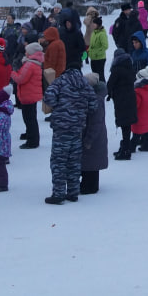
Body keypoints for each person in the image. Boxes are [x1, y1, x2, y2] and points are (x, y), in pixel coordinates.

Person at [43, 65, 93, 203]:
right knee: (74, 162)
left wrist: (61, 106)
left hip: (61, 128)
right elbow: (93, 104)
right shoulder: (84, 83)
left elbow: (49, 98)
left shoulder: (60, 81)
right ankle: (73, 192)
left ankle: (58, 194)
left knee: (59, 162)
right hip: (77, 129)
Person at [80, 71, 109, 194]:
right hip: (97, 137)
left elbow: (95, 123)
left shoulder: (95, 100)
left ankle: (90, 186)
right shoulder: (96, 98)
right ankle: (91, 184)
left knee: (90, 162)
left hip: (93, 138)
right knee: (92, 162)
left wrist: (88, 139)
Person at [10, 43, 43, 150]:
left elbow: (21, 79)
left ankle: (32, 141)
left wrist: (12, 73)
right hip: (31, 93)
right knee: (31, 117)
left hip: (28, 94)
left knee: (29, 118)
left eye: (27, 51)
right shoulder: (35, 63)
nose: (25, 52)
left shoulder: (30, 65)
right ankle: (30, 135)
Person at [107, 50, 138, 160]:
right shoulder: (130, 68)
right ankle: (126, 147)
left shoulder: (116, 69)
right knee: (127, 125)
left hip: (121, 99)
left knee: (124, 124)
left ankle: (125, 151)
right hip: (130, 98)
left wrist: (109, 94)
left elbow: (110, 84)